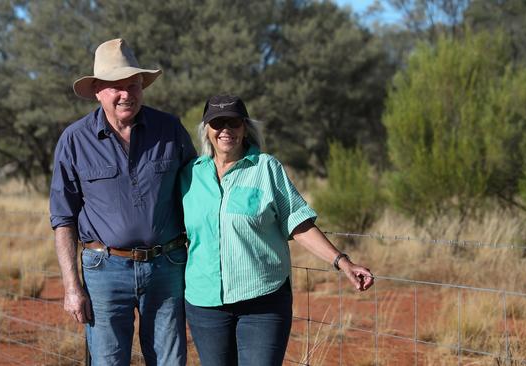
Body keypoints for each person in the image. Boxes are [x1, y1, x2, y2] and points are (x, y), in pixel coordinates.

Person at [180, 95, 374, 366]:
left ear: (245, 127)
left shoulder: (266, 168)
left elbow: (299, 224)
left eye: (233, 122)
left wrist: (342, 262)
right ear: (206, 130)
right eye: (217, 122)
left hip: (263, 300)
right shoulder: (190, 174)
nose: (226, 129)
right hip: (205, 303)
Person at [49, 38, 196, 365]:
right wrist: (72, 286)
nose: (126, 93)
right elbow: (63, 218)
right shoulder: (75, 140)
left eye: (133, 84)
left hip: (166, 264)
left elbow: (197, 192)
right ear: (98, 90)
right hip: (104, 269)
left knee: (170, 360)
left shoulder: (170, 130)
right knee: (108, 360)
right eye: (116, 86)